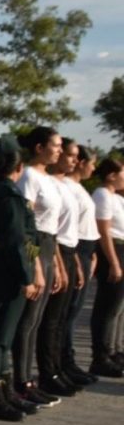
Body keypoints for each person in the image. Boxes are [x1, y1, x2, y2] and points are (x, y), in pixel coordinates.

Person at [0, 135, 39, 421]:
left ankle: (4, 392)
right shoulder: (10, 195)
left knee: (3, 333)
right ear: (20, 164)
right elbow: (19, 239)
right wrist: (27, 275)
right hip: (9, 267)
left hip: (0, 263)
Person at [12, 127, 67, 404]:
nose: (59, 150)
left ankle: (29, 378)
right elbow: (27, 226)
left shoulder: (48, 179)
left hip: (48, 245)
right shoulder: (29, 177)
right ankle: (20, 381)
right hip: (34, 247)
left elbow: (51, 228)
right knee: (27, 320)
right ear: (39, 148)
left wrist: (56, 263)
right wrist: (33, 265)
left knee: (36, 320)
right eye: (55, 145)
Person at [61, 145, 100, 381]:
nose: (90, 167)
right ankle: (64, 360)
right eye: (89, 162)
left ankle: (68, 360)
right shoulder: (67, 187)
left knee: (73, 310)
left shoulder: (78, 188)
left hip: (84, 248)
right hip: (74, 248)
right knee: (69, 311)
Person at [89, 157, 124, 377]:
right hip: (114, 250)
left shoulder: (116, 197)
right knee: (108, 308)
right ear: (111, 175)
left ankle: (115, 350)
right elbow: (105, 232)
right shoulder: (102, 195)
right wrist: (113, 262)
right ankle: (101, 355)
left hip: (121, 248)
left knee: (119, 308)